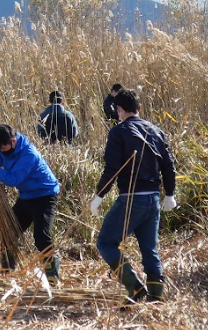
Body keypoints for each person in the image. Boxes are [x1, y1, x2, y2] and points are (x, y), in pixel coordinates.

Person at [89, 88, 176, 302]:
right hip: (154, 198)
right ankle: (155, 297)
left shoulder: (118, 132)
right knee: (149, 248)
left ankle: (135, 287)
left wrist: (99, 195)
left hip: (131, 198)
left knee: (106, 242)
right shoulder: (155, 130)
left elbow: (112, 168)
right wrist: (170, 194)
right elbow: (169, 165)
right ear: (139, 108)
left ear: (119, 110)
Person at [0, 124, 61, 284]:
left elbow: (13, 179)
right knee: (9, 230)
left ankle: (52, 274)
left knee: (41, 236)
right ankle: (7, 271)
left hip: (45, 196)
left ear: (13, 141)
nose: (3, 151)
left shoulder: (29, 154)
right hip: (26, 196)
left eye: (4, 147)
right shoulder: (3, 148)